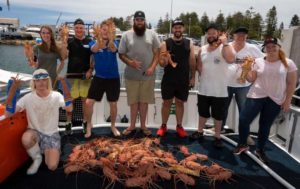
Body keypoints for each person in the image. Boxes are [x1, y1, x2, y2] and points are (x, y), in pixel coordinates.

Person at [233, 37, 297, 163]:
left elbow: (291, 84)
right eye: (268, 47)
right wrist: (245, 69)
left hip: (275, 98)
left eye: (274, 46)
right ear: (264, 49)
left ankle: (260, 150)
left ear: (279, 47)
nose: (271, 49)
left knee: (265, 125)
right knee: (243, 119)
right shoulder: (257, 61)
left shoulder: (288, 63)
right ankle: (242, 144)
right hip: (256, 95)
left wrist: (288, 100)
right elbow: (251, 79)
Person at [5, 69, 73, 175]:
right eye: (38, 80)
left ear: (48, 81)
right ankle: (37, 158)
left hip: (51, 134)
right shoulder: (27, 98)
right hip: (34, 132)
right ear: (34, 83)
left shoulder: (56, 95)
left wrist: (64, 86)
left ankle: (47, 150)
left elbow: (69, 109)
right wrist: (12, 91)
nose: (41, 83)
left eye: (44, 80)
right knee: (26, 139)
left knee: (52, 166)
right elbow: (9, 114)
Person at [190, 24, 235, 148]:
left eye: (213, 33)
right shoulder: (202, 49)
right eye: (208, 33)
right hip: (204, 89)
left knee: (218, 115)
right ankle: (200, 131)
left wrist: (225, 43)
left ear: (218, 34)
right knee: (202, 113)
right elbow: (199, 65)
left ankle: (217, 136)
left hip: (220, 90)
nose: (211, 35)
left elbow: (231, 59)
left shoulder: (225, 47)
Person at [118, 11, 160, 136]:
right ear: (134, 21)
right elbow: (121, 54)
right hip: (131, 76)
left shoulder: (152, 34)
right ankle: (131, 126)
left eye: (142, 20)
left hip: (148, 75)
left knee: (144, 102)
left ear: (145, 21)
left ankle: (143, 126)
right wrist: (131, 63)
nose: (140, 22)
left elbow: (157, 53)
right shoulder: (126, 35)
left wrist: (152, 67)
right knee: (133, 102)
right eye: (137, 20)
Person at [223, 27, 264, 145]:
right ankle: (219, 130)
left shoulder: (252, 48)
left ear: (247, 36)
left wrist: (253, 62)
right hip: (226, 83)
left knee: (244, 111)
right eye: (238, 34)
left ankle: (245, 135)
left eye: (243, 35)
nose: (241, 37)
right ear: (234, 36)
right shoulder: (227, 46)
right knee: (223, 109)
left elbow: (262, 61)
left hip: (244, 85)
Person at [156, 19, 196, 137]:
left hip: (183, 79)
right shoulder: (165, 43)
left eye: (180, 27)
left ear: (183, 29)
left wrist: (193, 77)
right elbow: (162, 64)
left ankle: (179, 126)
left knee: (180, 103)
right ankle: (163, 125)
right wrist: (164, 58)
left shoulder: (189, 43)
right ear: (172, 29)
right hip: (168, 79)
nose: (177, 29)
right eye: (175, 27)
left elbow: (192, 61)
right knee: (166, 102)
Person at [86, 19, 121, 138]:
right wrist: (100, 40)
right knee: (89, 102)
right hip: (99, 78)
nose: (105, 32)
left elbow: (113, 49)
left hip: (113, 78)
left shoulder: (115, 42)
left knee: (113, 104)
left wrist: (110, 38)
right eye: (104, 29)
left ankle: (113, 126)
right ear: (100, 30)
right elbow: (94, 49)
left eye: (108, 30)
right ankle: (89, 125)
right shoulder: (93, 42)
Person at [64, 18, 93, 135]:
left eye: (81, 28)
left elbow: (93, 58)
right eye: (77, 28)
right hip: (71, 76)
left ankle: (85, 123)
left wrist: (91, 70)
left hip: (85, 76)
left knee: (85, 102)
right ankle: (68, 123)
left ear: (84, 29)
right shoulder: (69, 41)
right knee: (70, 101)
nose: (79, 30)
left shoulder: (89, 41)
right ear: (74, 29)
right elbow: (64, 57)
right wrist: (63, 41)